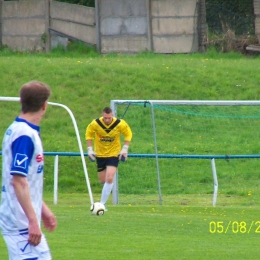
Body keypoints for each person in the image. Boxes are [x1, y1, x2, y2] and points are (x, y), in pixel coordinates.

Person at [0, 81, 57, 260]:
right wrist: (33, 220)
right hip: (20, 221)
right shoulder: (24, 135)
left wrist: (43, 210)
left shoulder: (21, 130)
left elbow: (27, 182)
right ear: (44, 105)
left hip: (21, 219)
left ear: (22, 102)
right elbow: (18, 181)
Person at [85, 107, 132, 210]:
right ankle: (105, 196)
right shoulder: (96, 123)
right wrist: (89, 149)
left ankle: (102, 204)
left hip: (113, 154)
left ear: (112, 116)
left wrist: (125, 148)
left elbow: (128, 134)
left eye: (109, 118)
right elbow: (89, 134)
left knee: (109, 177)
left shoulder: (120, 124)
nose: (107, 120)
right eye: (105, 118)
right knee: (103, 180)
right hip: (100, 154)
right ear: (102, 116)